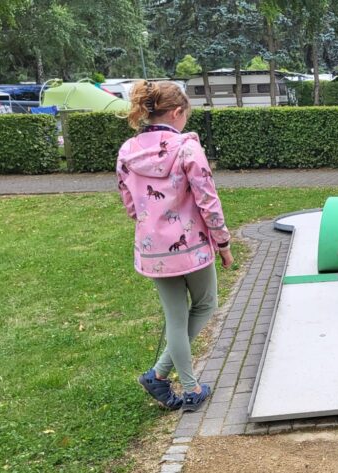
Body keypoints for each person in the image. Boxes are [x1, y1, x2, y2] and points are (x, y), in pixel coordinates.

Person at [117, 80, 235, 412]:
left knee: (176, 319)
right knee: (206, 304)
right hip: (192, 248)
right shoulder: (187, 148)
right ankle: (190, 387)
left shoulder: (127, 151)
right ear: (179, 112)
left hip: (152, 250)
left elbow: (129, 204)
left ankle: (158, 376)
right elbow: (208, 202)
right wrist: (223, 243)